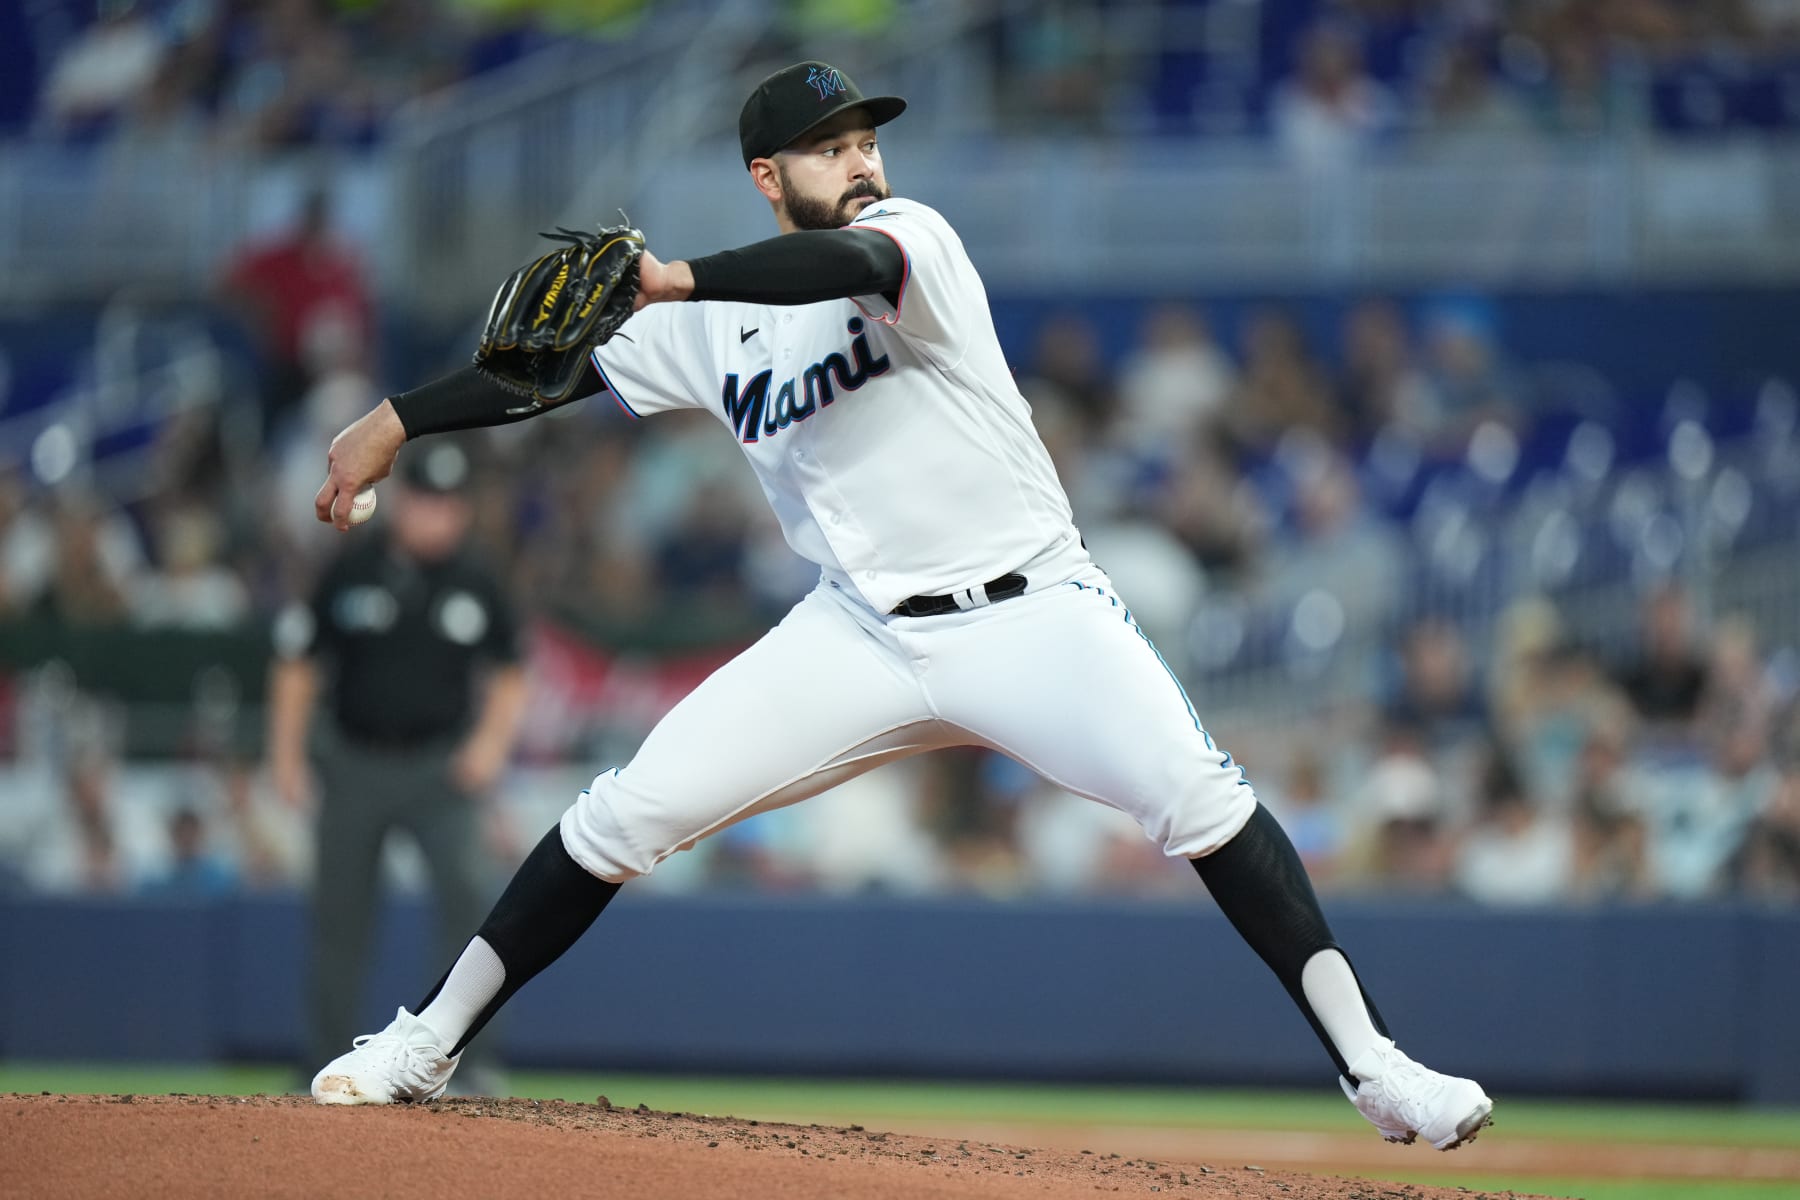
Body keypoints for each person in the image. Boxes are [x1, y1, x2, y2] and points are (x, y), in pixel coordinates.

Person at [304, 60, 1493, 1150]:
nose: (863, 158)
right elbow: (544, 372)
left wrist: (672, 274)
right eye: (831, 147)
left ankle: (1377, 1066)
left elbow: (849, 266)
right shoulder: (710, 329)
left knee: (1200, 798)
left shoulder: (908, 235)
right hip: (858, 631)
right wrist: (392, 422)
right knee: (622, 815)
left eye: (867, 137)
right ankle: (426, 1043)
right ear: (767, 177)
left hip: (1032, 612)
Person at [268, 439, 527, 1094]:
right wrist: (287, 755)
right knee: (339, 918)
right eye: (426, 501)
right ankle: (324, 1062)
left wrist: (490, 746)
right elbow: (298, 662)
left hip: (441, 771)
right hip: (355, 762)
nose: (437, 516)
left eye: (450, 504)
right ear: (402, 502)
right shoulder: (351, 567)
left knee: (472, 911)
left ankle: (471, 1065)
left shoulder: (479, 577)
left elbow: (510, 670)